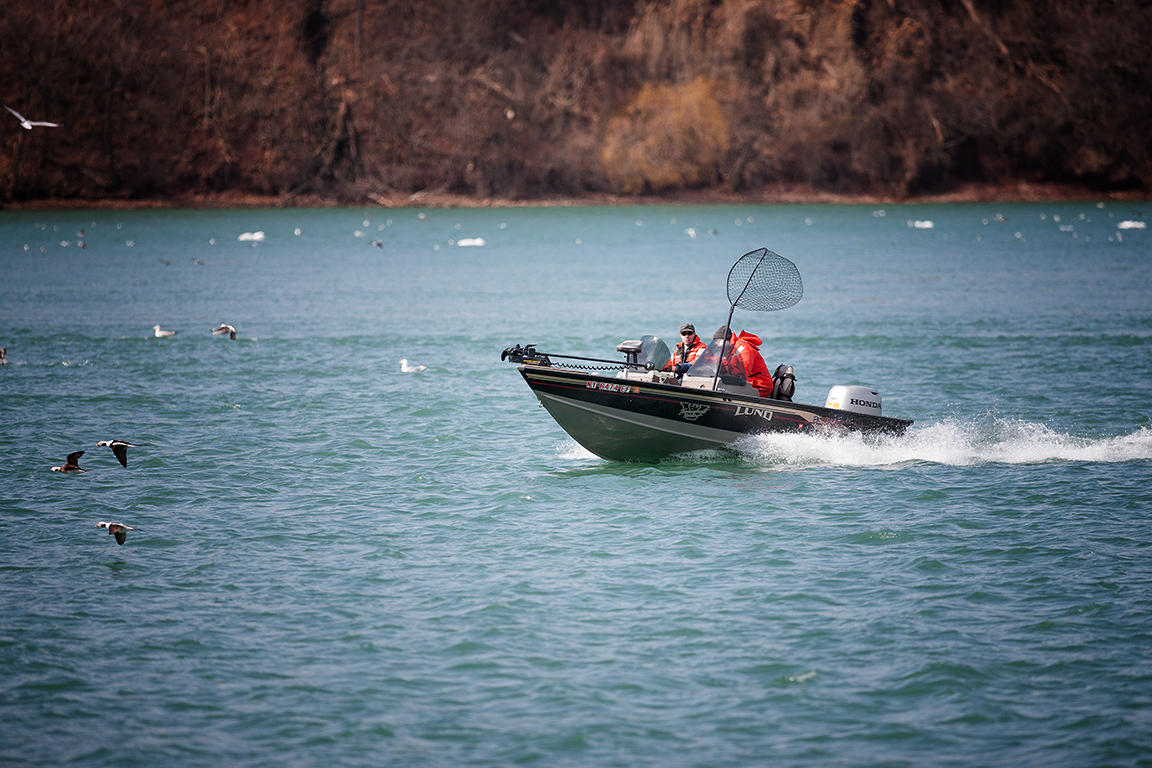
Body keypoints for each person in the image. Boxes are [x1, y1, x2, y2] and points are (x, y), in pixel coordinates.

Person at [713, 325, 774, 398]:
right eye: (715, 342)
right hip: (746, 384)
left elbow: (742, 373)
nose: (716, 344)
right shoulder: (728, 350)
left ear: (726, 340)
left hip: (759, 386)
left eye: (717, 341)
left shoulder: (744, 348)